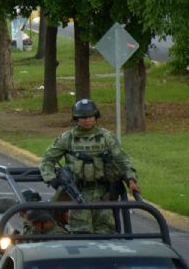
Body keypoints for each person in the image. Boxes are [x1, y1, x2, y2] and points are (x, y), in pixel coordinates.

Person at [39, 99, 141, 234]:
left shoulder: (106, 137)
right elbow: (47, 160)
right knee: (81, 236)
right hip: (77, 195)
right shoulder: (67, 138)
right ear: (76, 119)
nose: (87, 120)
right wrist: (53, 180)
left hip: (104, 195)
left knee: (106, 235)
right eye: (82, 117)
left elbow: (122, 160)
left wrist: (131, 180)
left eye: (90, 117)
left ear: (96, 117)